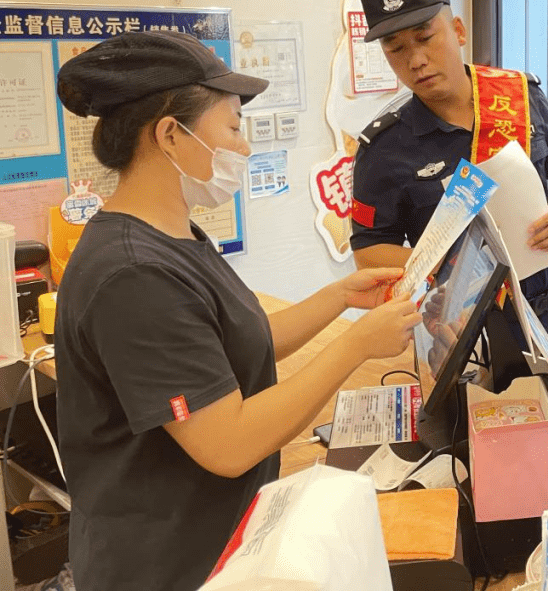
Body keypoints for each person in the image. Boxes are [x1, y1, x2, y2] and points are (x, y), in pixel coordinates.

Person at [52, 31, 421, 591]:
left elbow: (229, 346)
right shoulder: (134, 275)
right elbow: (229, 443)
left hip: (215, 537)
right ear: (171, 135)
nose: (244, 148)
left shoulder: (171, 235)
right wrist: (356, 344)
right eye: (231, 128)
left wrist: (340, 299)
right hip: (166, 563)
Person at [349, 0, 548, 386]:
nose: (416, 60)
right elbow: (369, 251)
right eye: (396, 49)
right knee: (487, 448)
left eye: (426, 37)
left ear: (458, 31)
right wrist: (445, 266)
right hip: (468, 332)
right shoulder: (384, 149)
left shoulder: (517, 95)